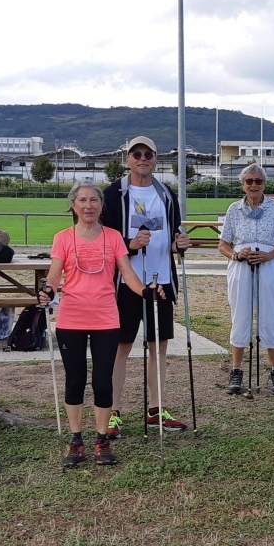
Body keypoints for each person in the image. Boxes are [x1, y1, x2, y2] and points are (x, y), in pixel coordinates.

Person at [39, 180, 161, 468]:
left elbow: (127, 273)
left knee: (103, 381)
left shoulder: (114, 237)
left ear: (101, 205)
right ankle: (76, 439)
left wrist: (145, 290)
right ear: (73, 205)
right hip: (72, 318)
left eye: (93, 200)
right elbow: (54, 275)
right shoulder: (63, 238)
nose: (88, 205)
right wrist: (47, 290)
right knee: (75, 379)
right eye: (82, 200)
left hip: (106, 317)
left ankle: (102, 438)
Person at [101, 136, 192, 438]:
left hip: (161, 282)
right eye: (136, 154)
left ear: (156, 159)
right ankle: (112, 412)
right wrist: (129, 244)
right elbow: (103, 240)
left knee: (159, 346)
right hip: (126, 283)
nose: (142, 158)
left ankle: (156, 409)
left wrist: (181, 245)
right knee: (121, 346)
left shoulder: (166, 193)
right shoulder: (113, 194)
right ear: (127, 159)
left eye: (148, 154)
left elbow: (177, 231)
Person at [218, 163, 274, 395]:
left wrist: (269, 255)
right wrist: (236, 255)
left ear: (264, 185)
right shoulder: (234, 209)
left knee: (269, 315)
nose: (253, 185)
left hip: (268, 265)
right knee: (240, 315)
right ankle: (236, 370)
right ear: (243, 184)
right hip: (241, 266)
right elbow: (223, 244)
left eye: (258, 181)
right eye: (249, 181)